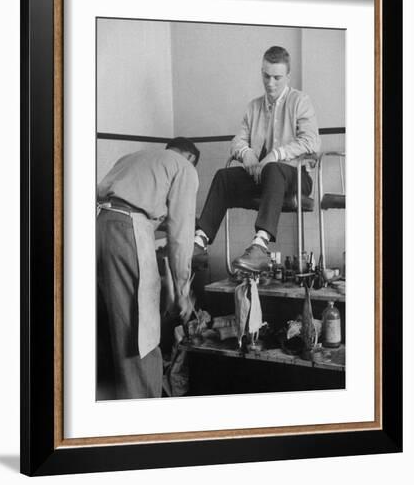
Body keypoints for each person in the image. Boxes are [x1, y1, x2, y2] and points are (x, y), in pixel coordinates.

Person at [193, 46, 320, 273]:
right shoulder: (253, 107)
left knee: (273, 168)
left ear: (287, 77)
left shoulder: (300, 101)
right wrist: (248, 154)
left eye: (277, 78)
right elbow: (237, 142)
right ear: (261, 71)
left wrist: (275, 154)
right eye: (266, 76)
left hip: (296, 177)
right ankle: (199, 243)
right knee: (224, 176)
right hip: (264, 177)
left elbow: (312, 142)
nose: (270, 83)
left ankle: (260, 246)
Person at [96, 137, 200, 399]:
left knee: (110, 326)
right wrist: (183, 289)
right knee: (139, 333)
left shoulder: (135, 158)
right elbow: (181, 231)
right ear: (189, 157)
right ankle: (144, 418)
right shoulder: (184, 168)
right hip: (128, 229)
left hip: (99, 225)